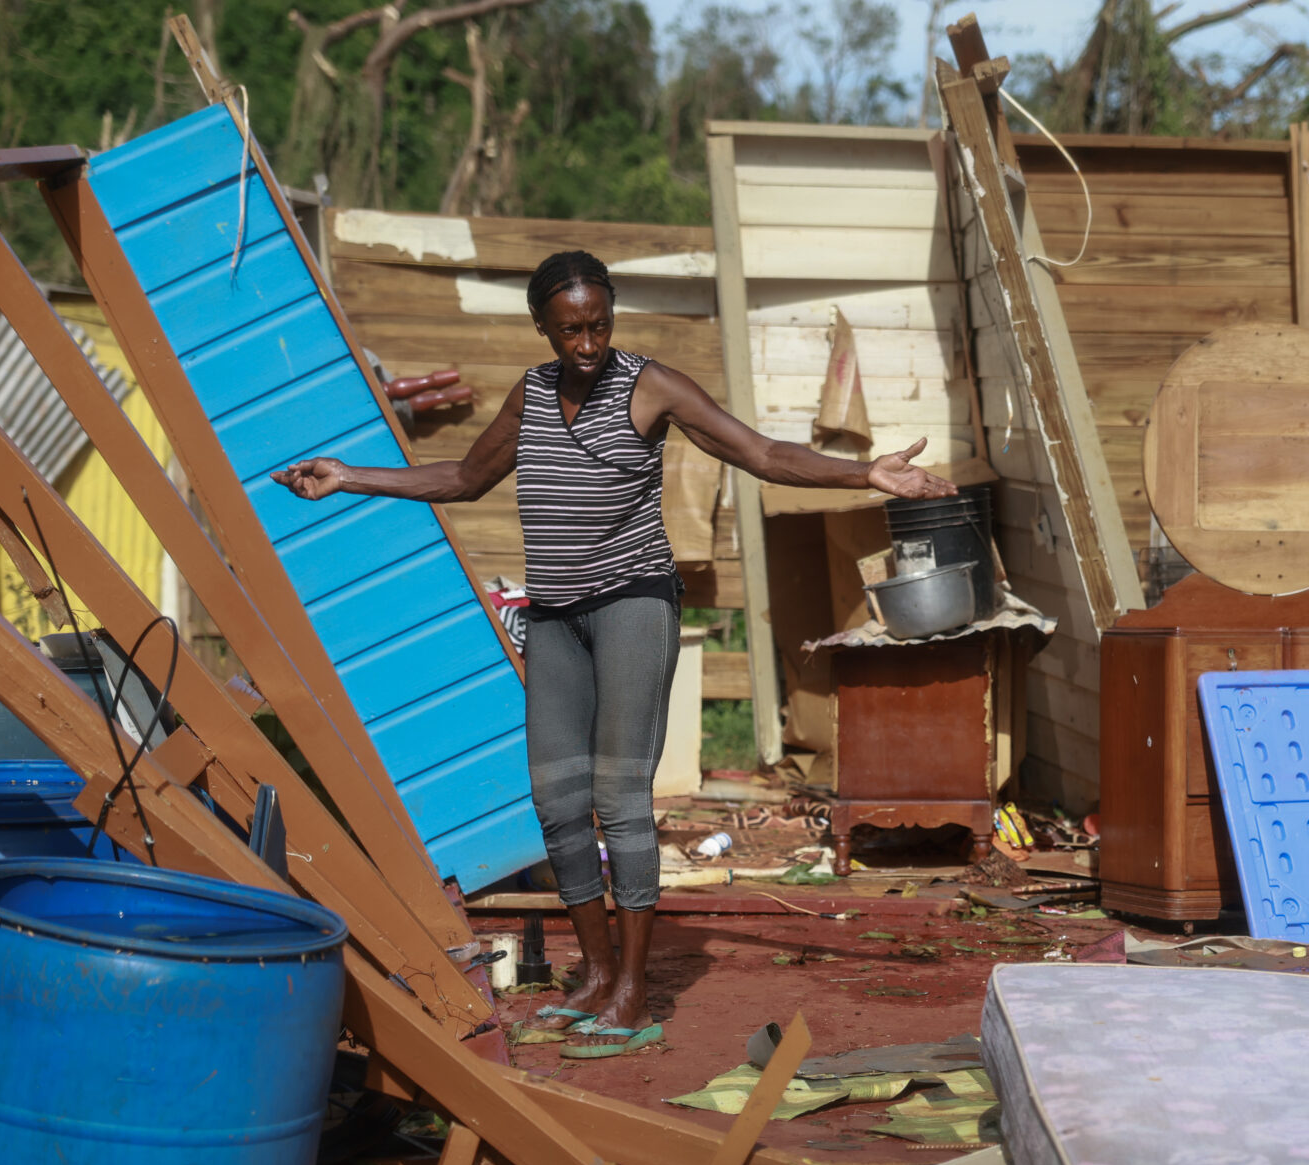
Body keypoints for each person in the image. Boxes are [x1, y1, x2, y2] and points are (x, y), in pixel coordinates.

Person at [275, 250, 956, 1056]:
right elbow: (462, 477)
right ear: (544, 327)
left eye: (599, 324)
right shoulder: (530, 395)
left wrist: (864, 474)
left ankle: (634, 984)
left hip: (633, 604)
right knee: (557, 800)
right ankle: (595, 971)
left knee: (619, 793)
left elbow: (762, 454)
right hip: (557, 616)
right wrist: (351, 476)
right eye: (571, 329)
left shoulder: (650, 386)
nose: (588, 343)